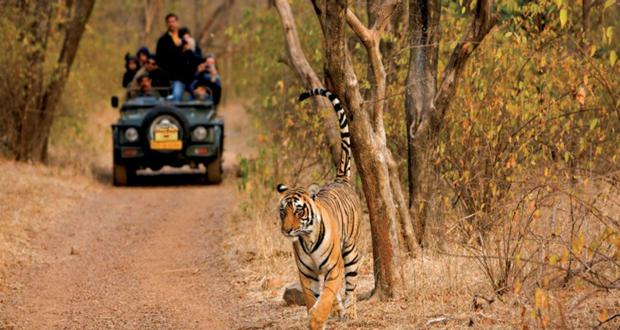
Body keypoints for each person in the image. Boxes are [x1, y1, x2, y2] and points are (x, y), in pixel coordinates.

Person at [156, 13, 185, 100]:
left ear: (177, 22)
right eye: (169, 22)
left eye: (173, 21)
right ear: (167, 24)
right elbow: (159, 59)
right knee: (175, 97)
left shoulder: (185, 37)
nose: (172, 23)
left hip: (185, 76)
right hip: (170, 76)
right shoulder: (163, 41)